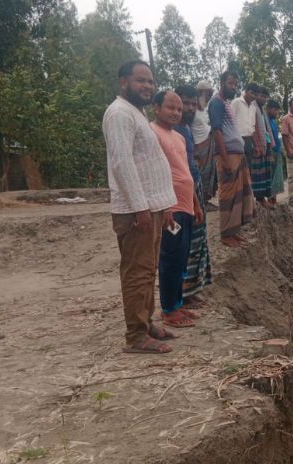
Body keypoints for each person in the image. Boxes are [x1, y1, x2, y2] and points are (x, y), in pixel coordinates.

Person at [102, 60, 177, 354]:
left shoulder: (136, 113)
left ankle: (146, 324)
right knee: (137, 272)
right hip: (136, 211)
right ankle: (135, 336)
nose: (147, 86)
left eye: (150, 81)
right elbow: (122, 163)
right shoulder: (119, 114)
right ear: (124, 82)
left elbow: (147, 163)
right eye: (141, 80)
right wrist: (140, 208)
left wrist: (163, 206)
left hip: (149, 207)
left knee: (147, 270)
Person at [151, 90, 203, 329]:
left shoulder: (179, 137)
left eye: (179, 109)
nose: (175, 112)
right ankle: (169, 310)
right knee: (170, 258)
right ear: (156, 108)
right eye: (170, 107)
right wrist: (164, 207)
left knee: (182, 258)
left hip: (186, 206)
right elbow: (153, 173)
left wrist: (196, 204)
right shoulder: (152, 133)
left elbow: (185, 172)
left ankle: (177, 303)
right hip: (170, 207)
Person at [174, 84, 212, 308]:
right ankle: (182, 293)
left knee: (198, 239)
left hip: (193, 186)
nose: (189, 108)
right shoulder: (172, 131)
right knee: (184, 243)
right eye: (184, 103)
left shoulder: (186, 129)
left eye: (192, 104)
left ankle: (192, 289)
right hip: (180, 194)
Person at [211, 70, 255, 247]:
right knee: (228, 195)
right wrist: (225, 158)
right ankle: (225, 234)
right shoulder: (216, 103)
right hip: (228, 155)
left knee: (238, 195)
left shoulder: (226, 103)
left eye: (235, 84)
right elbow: (217, 131)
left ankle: (233, 231)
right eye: (230, 83)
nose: (233, 87)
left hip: (237, 154)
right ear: (221, 82)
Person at [193, 80, 217, 208]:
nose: (208, 96)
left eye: (210, 94)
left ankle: (206, 200)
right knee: (200, 173)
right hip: (198, 146)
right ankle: (198, 200)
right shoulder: (192, 109)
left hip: (209, 144)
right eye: (207, 93)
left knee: (209, 173)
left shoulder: (206, 109)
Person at [249, 86, 272, 204]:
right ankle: (259, 198)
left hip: (265, 143)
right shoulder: (253, 107)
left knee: (265, 171)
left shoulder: (262, 109)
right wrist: (256, 145)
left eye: (265, 97)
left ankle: (264, 197)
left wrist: (270, 143)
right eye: (261, 96)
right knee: (258, 172)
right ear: (257, 95)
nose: (263, 98)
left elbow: (266, 128)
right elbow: (252, 128)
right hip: (257, 145)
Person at [231, 83, 258, 167]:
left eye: (255, 95)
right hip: (236, 140)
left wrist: (255, 145)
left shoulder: (253, 108)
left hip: (248, 141)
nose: (253, 96)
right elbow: (230, 122)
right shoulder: (236, 102)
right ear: (246, 91)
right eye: (252, 93)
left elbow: (252, 128)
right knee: (236, 168)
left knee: (247, 168)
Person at [266, 99, 285, 203]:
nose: (277, 113)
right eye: (275, 110)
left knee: (277, 175)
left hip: (277, 150)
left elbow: (276, 136)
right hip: (270, 151)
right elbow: (266, 138)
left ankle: (274, 196)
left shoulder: (273, 121)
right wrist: (269, 152)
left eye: (277, 110)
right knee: (270, 174)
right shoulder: (265, 121)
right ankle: (270, 197)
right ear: (269, 108)